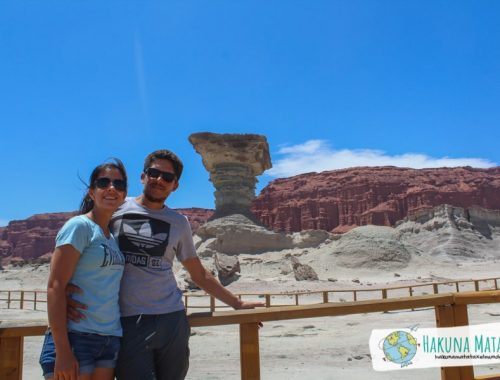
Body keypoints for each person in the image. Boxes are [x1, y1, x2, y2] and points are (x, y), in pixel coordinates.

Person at [68, 149, 263, 380]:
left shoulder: (179, 223)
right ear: (143, 176)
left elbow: (198, 273)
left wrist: (236, 303)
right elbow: (80, 246)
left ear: (175, 185)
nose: (159, 180)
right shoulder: (116, 209)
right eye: (154, 173)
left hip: (173, 320)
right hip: (129, 321)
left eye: (167, 177)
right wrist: (63, 292)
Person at [40, 159, 128, 380]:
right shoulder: (79, 226)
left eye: (118, 184)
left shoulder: (112, 237)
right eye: (104, 182)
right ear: (91, 192)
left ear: (124, 194)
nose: (111, 188)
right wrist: (62, 351)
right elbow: (55, 286)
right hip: (75, 338)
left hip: (108, 338)